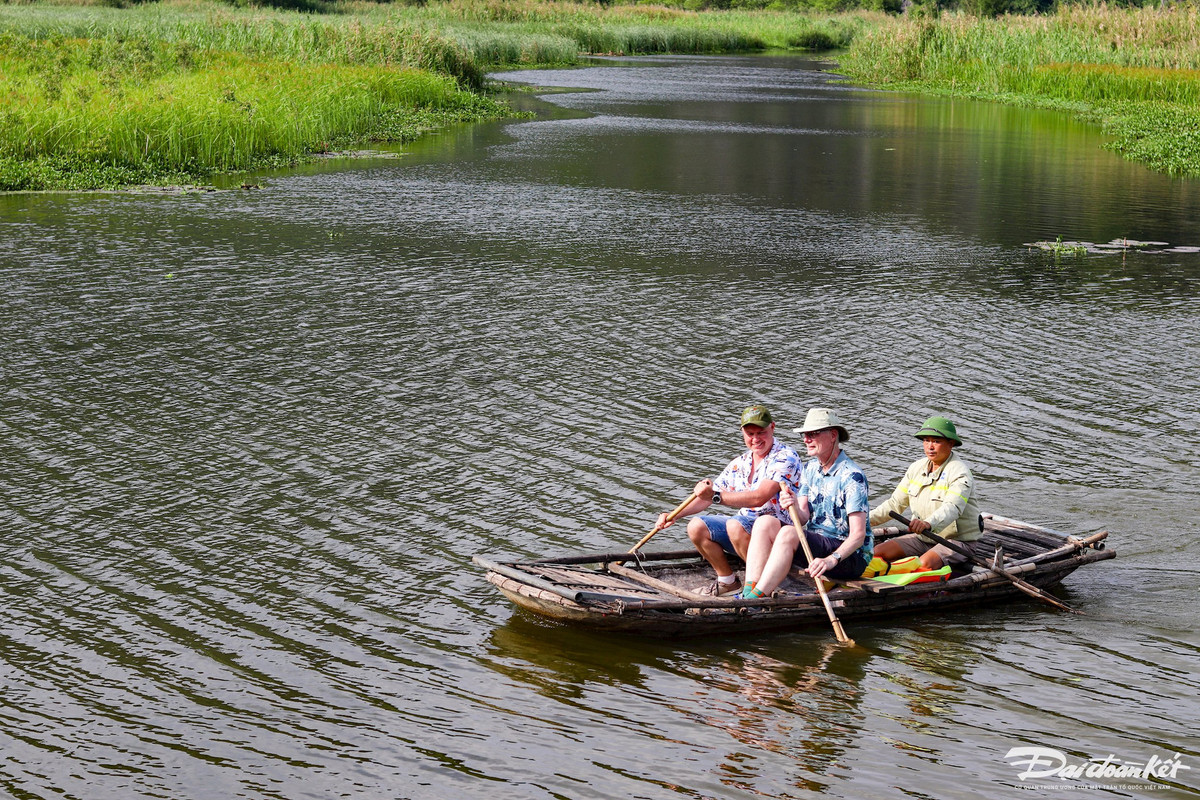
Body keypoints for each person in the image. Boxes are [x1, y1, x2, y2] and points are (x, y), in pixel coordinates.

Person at [655, 404, 803, 596]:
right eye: (750, 434)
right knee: (696, 526)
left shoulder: (785, 457)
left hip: (776, 530)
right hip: (745, 526)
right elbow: (708, 497)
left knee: (735, 525)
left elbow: (759, 498)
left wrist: (715, 497)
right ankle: (727, 581)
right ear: (742, 432)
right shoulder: (740, 462)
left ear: (772, 428)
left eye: (761, 433)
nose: (756, 439)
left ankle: (761, 586)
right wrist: (674, 515)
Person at [741, 408, 873, 599]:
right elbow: (802, 518)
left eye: (812, 434)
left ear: (833, 435)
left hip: (849, 557)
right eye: (805, 435)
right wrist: (792, 504)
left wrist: (831, 560)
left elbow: (858, 536)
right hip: (816, 546)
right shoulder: (810, 469)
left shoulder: (853, 477)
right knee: (764, 522)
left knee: (788, 532)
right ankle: (748, 591)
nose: (806, 440)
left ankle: (757, 598)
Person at [868, 415, 982, 571]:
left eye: (936, 441)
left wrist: (928, 523)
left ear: (951, 444)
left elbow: (952, 508)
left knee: (920, 566)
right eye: (926, 440)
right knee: (875, 554)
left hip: (956, 542)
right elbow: (894, 504)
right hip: (923, 539)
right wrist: (864, 521)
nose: (930, 446)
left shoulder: (960, 472)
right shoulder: (916, 468)